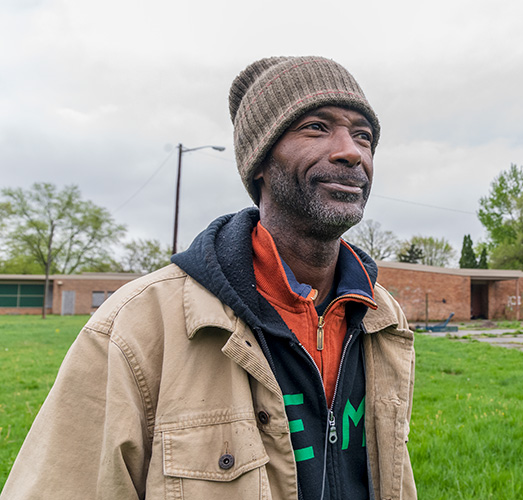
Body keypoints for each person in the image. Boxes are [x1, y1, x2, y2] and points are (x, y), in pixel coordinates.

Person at [2, 56, 417, 500]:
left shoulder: (381, 317)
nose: (352, 151)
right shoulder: (137, 325)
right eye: (316, 127)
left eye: (363, 136)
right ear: (259, 162)